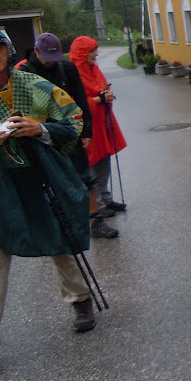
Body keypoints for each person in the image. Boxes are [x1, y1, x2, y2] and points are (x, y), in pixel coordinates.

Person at [0, 27, 96, 368]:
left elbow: (74, 118)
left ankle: (81, 299)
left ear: (7, 50)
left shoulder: (35, 85)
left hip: (40, 175)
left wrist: (40, 129)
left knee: (60, 239)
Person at [17, 33, 118, 239]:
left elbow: (80, 100)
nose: (51, 62)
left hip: (67, 130)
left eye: (55, 57)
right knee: (47, 181)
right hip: (38, 134)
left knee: (84, 176)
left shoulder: (67, 68)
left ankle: (96, 221)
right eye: (47, 57)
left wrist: (86, 130)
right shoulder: (23, 72)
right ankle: (56, 226)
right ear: (36, 51)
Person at [69, 36, 127, 218]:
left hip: (103, 123)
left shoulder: (94, 69)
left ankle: (106, 198)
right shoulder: (74, 73)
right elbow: (74, 104)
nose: (96, 54)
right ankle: (98, 204)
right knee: (91, 163)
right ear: (82, 53)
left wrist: (107, 94)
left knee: (104, 159)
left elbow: (102, 86)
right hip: (88, 127)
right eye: (92, 50)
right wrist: (99, 99)